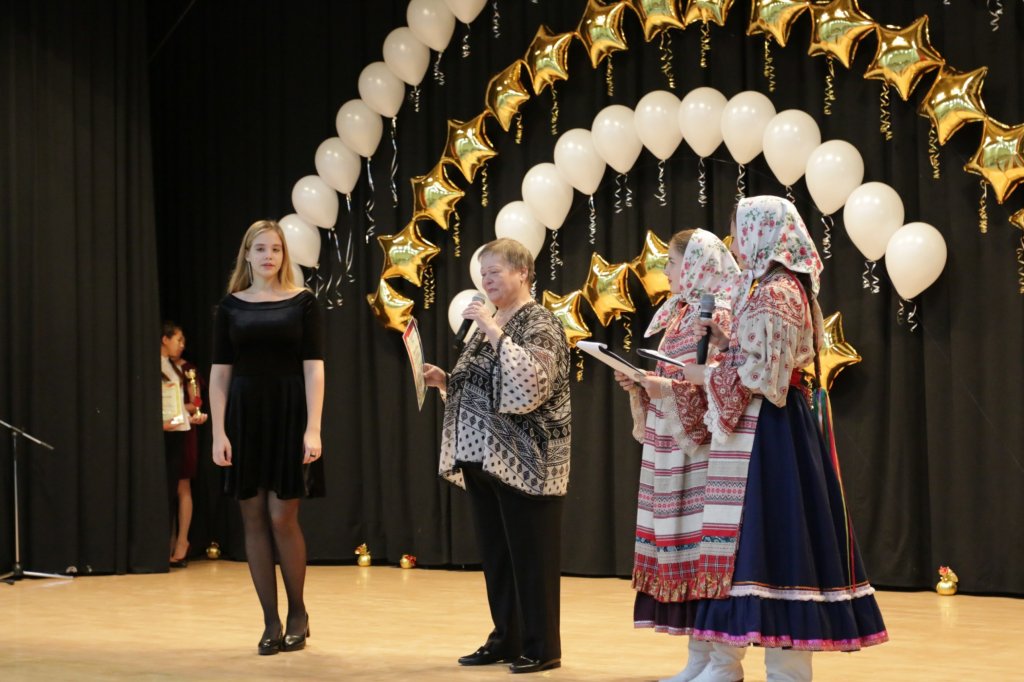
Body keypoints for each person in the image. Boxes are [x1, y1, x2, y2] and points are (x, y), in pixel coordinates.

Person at [675, 196, 888, 682]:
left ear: (762, 231)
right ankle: (746, 664)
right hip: (763, 428)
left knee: (777, 539)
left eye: (739, 230)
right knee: (759, 542)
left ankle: (786, 670)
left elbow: (768, 379)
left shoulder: (776, 291)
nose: (734, 241)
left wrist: (708, 374)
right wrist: (726, 344)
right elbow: (761, 357)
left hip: (770, 432)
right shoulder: (770, 287)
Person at [422, 238, 571, 675]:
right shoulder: (491, 321)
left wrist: (490, 327)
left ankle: (542, 647)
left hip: (529, 462)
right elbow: (485, 384)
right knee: (499, 557)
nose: (486, 281)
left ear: (522, 272)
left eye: (495, 271)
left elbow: (532, 382)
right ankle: (506, 637)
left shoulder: (539, 321)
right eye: (483, 273)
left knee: (531, 558)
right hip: (483, 458)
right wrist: (446, 381)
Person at [611, 229, 740, 681]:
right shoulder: (681, 311)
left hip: (703, 453)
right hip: (671, 447)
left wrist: (662, 386)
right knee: (685, 555)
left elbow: (722, 383)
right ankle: (699, 658)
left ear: (697, 264)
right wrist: (642, 383)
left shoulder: (720, 313)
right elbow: (679, 375)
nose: (665, 270)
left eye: (672, 261)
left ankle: (724, 662)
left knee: (706, 553)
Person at [209, 219, 325, 656]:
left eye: (275, 248)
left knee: (282, 517)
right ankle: (270, 621)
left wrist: (313, 427)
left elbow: (314, 368)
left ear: (284, 255)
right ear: (247, 254)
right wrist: (219, 432)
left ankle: (298, 613)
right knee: (253, 518)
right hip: (244, 415)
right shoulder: (230, 307)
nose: (268, 256)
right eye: (260, 248)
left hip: (289, 413)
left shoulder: (303, 302)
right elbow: (220, 374)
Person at [161, 322, 206, 568]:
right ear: (165, 339)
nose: (182, 346)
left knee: (182, 485)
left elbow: (194, 401)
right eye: (178, 340)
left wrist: (189, 412)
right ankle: (167, 544)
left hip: (182, 430)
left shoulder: (186, 370)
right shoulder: (165, 366)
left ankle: (182, 542)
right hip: (170, 428)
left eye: (183, 341)